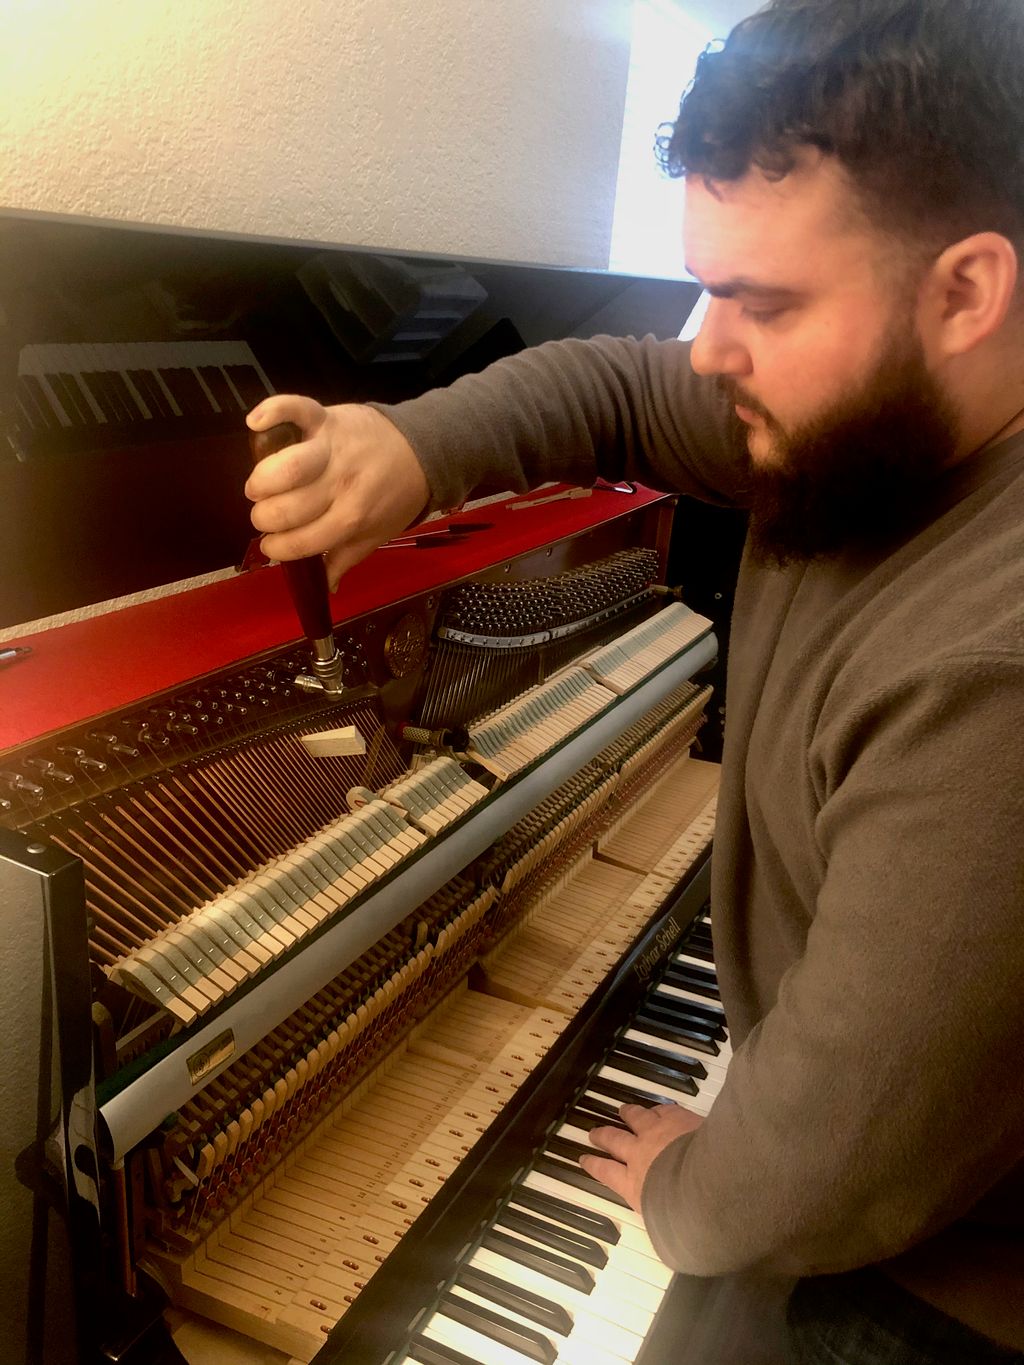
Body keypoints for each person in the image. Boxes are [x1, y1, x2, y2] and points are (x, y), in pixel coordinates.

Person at [244, 1, 1024, 1360]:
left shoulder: (992, 671)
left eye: (761, 302)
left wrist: (681, 1188)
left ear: (966, 291)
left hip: (932, 1284)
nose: (708, 346)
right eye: (703, 286)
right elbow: (615, 382)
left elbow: (818, 1177)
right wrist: (411, 447)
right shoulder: (872, 412)